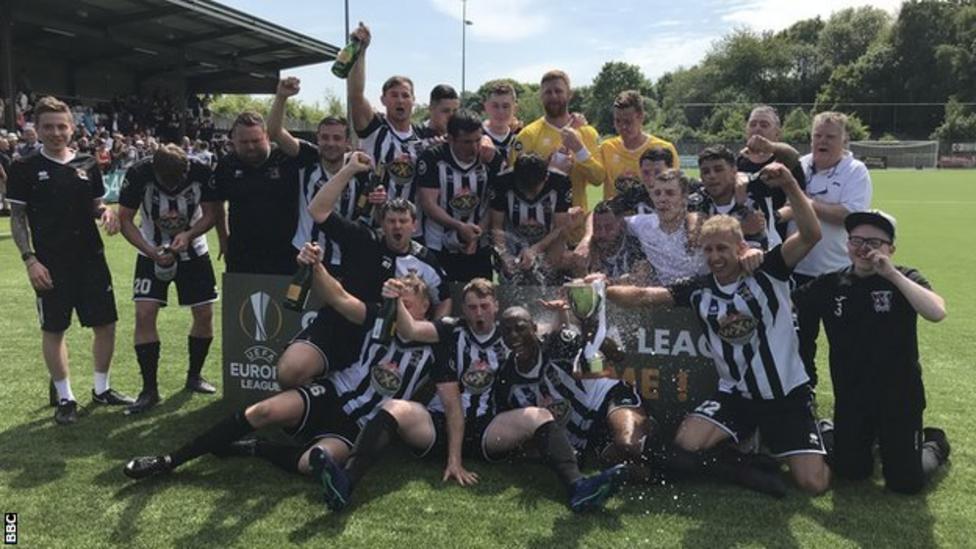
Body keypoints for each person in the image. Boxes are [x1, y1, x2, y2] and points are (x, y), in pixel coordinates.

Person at [603, 162, 831, 495]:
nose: (715, 256)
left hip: (785, 395)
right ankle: (743, 467)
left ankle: (826, 435)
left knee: (813, 483)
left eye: (722, 248)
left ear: (740, 248)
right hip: (736, 395)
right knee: (685, 444)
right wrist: (602, 287)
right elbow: (642, 296)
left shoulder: (768, 269)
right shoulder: (698, 288)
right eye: (708, 249)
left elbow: (811, 235)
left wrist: (790, 186)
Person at [123, 245, 441, 482]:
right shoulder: (377, 317)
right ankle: (169, 460)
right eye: (397, 302)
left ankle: (256, 448)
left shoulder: (439, 340)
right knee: (263, 411)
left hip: (360, 425)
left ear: (426, 306)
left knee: (313, 463)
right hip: (332, 392)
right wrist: (316, 266)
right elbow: (340, 298)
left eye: (407, 304)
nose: (399, 309)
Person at [311, 278, 628, 513]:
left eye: (485, 307)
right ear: (464, 309)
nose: (479, 314)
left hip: (487, 428)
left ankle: (578, 487)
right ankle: (345, 482)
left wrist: (564, 316)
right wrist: (455, 461)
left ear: (496, 307)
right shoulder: (452, 331)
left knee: (540, 416)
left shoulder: (510, 334)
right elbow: (411, 334)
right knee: (394, 407)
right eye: (473, 307)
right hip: (439, 425)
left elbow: (544, 335)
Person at [793, 210, 950, 494]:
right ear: (847, 244)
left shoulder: (905, 277)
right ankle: (833, 429)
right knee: (850, 472)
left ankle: (934, 442)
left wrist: (891, 274)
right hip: (852, 398)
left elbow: (936, 311)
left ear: (891, 249)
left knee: (905, 483)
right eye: (857, 240)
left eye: (874, 243)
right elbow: (788, 303)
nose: (864, 248)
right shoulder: (829, 284)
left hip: (900, 398)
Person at [7, 96, 133, 425]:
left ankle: (102, 389)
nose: (56, 133)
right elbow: (17, 218)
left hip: (91, 259)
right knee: (54, 328)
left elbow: (95, 205)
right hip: (50, 264)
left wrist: (106, 212)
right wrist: (30, 260)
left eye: (61, 126)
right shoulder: (24, 167)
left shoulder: (87, 163)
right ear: (36, 129)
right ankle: (66, 397)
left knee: (105, 324)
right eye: (48, 127)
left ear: (72, 127)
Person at [116, 144, 220, 414]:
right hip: (151, 249)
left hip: (194, 251)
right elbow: (125, 219)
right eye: (166, 180)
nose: (172, 186)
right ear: (155, 171)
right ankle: (149, 389)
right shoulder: (138, 173)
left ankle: (194, 375)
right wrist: (150, 250)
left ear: (186, 169)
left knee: (204, 313)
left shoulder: (201, 171)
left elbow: (211, 213)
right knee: (144, 313)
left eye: (177, 180)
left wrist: (189, 235)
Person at [497, 305, 652, 478]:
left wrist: (589, 330)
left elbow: (617, 355)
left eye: (520, 328)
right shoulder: (506, 380)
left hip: (607, 398)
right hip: (586, 438)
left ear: (534, 328)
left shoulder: (557, 344)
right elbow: (519, 437)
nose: (514, 336)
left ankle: (659, 445)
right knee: (625, 468)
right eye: (507, 332)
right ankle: (666, 468)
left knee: (629, 444)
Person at [307, 152, 451, 318]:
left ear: (414, 226)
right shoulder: (364, 239)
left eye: (403, 221)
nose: (397, 226)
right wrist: (349, 169)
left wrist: (434, 329)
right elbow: (317, 210)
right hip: (350, 319)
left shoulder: (425, 260)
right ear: (382, 223)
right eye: (391, 221)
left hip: (397, 330)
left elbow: (444, 300)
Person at [267, 76, 386, 275]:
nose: (330, 143)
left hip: (346, 258)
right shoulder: (307, 157)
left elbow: (372, 217)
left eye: (337, 138)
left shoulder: (360, 170)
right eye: (325, 137)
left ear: (347, 142)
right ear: (317, 139)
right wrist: (281, 97)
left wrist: (380, 201)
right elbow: (274, 133)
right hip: (305, 255)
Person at [792, 112, 873, 387]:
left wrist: (806, 203)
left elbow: (851, 216)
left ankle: (850, 399)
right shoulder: (799, 166)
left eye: (830, 136)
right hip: (798, 271)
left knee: (845, 344)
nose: (822, 141)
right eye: (817, 135)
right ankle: (806, 396)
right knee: (800, 342)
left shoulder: (855, 171)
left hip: (838, 272)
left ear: (844, 139)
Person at [346, 22, 428, 240]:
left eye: (405, 95)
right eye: (394, 95)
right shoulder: (375, 128)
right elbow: (355, 95)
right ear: (383, 100)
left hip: (413, 232)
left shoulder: (423, 135)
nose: (400, 100)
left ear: (413, 101)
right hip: (375, 228)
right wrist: (360, 51)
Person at [213, 110, 318, 274]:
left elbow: (320, 155)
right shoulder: (227, 165)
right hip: (242, 253)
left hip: (287, 253)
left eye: (256, 140)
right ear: (233, 140)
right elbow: (217, 203)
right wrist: (223, 238)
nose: (250, 146)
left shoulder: (287, 158)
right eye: (244, 142)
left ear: (267, 137)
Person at [417, 109, 504, 282]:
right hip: (439, 244)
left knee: (480, 295)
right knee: (442, 295)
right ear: (450, 138)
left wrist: (477, 233)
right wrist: (459, 227)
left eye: (477, 140)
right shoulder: (433, 157)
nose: (474, 148)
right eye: (466, 142)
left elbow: (494, 203)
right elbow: (428, 203)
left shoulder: (491, 158)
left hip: (478, 245)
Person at [509, 70, 602, 218]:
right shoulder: (527, 135)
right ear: (541, 96)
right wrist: (550, 171)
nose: (553, 96)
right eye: (548, 92)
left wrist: (579, 149)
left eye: (558, 91)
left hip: (577, 225)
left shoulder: (587, 132)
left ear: (569, 94)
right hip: (539, 225)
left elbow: (598, 179)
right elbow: (514, 186)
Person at [489, 154, 573, 284]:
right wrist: (504, 255)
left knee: (547, 275)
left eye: (534, 188)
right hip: (513, 240)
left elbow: (560, 227)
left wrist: (535, 250)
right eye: (525, 188)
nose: (529, 195)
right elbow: (497, 226)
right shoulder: (502, 182)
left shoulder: (560, 182)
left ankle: (550, 280)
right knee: (511, 279)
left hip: (549, 240)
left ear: (546, 178)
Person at [623, 169, 706, 285]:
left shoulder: (699, 227)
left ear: (684, 197)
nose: (662, 199)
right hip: (663, 292)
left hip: (700, 290)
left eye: (670, 193)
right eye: (657, 193)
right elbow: (609, 220)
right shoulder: (643, 224)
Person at [735, 105, 804, 240]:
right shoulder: (737, 162)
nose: (757, 128)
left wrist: (771, 217)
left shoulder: (786, 162)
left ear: (777, 133)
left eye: (764, 125)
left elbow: (798, 203)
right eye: (753, 124)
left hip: (775, 239)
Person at [598, 90, 679, 202]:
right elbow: (594, 178)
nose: (622, 127)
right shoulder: (606, 147)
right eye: (618, 121)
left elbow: (675, 188)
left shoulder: (664, 148)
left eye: (628, 122)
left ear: (641, 117)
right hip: (615, 212)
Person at [695, 145, 780, 250]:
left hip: (768, 256)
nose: (712, 176)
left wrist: (770, 145)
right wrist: (741, 227)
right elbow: (694, 239)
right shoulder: (698, 199)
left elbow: (790, 161)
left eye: (718, 169)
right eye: (705, 172)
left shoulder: (754, 187)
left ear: (734, 171)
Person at [571, 200, 651, 284]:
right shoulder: (589, 251)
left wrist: (608, 282)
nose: (602, 234)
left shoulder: (636, 248)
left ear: (621, 224)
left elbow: (640, 279)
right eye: (597, 228)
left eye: (609, 228)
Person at [481, 81, 519, 164]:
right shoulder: (475, 138)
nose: (500, 111)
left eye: (506, 106)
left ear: (515, 109)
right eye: (495, 106)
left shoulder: (521, 138)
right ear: (486, 107)